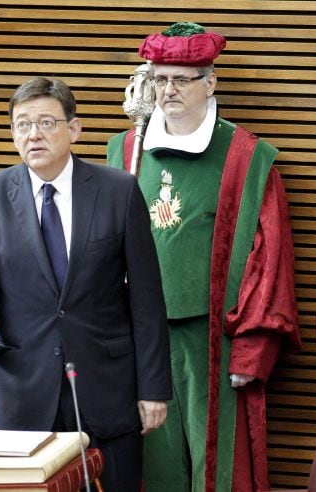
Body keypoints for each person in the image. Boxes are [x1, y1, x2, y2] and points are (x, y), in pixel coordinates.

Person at [107, 22, 302, 492]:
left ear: (210, 82)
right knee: (153, 458)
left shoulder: (245, 157)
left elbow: (268, 261)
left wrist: (253, 349)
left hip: (214, 339)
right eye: (159, 78)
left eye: (181, 78)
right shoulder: (125, 149)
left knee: (214, 462)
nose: (167, 89)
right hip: (140, 338)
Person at [0, 77, 172, 491]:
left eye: (46, 122)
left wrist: (154, 388)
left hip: (109, 389)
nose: (33, 134)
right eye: (22, 124)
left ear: (74, 129)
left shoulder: (118, 191)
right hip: (23, 397)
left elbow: (146, 298)